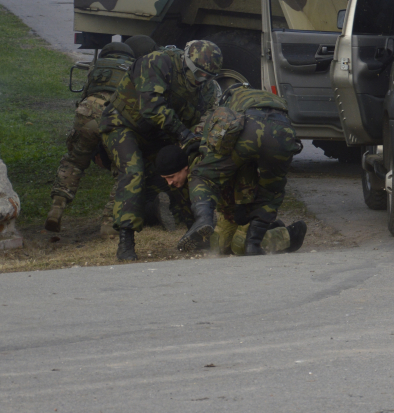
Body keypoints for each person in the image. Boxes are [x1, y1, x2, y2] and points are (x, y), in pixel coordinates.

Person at [101, 39, 222, 261]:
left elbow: (200, 119)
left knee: (184, 167)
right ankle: (126, 242)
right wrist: (183, 134)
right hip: (123, 124)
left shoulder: (204, 88)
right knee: (134, 171)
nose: (201, 81)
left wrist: (193, 141)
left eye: (208, 77)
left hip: (160, 132)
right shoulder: (157, 63)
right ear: (186, 64)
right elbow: (151, 107)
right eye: (198, 75)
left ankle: (196, 228)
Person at [45, 36, 158, 234]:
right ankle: (109, 224)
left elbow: (84, 93)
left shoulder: (97, 67)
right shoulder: (137, 69)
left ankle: (57, 207)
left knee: (74, 161)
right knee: (124, 171)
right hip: (113, 118)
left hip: (86, 112)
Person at [177, 83, 305, 256]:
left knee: (203, 176)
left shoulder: (228, 107)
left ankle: (288, 236)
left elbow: (211, 164)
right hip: (282, 131)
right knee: (271, 191)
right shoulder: (268, 99)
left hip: (249, 133)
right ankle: (254, 242)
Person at [156, 145, 305, 255]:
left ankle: (290, 235)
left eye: (171, 177)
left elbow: (246, 179)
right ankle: (269, 229)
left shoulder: (203, 169)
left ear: (185, 168)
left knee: (240, 247)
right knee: (218, 247)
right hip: (230, 208)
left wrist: (245, 210)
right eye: (166, 179)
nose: (170, 182)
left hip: (250, 202)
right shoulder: (191, 174)